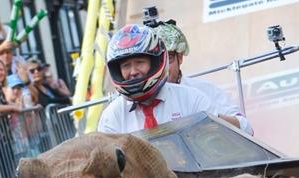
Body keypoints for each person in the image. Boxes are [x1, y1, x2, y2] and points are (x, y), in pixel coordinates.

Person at [97, 24, 254, 135]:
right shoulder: (112, 117)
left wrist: (213, 120)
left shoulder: (192, 98)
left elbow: (245, 131)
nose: (133, 72)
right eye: (126, 66)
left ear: (157, 62)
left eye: (139, 63)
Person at [154, 20, 251, 134]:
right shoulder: (137, 105)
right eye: (158, 61)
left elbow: (246, 127)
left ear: (180, 58)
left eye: (168, 59)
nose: (162, 68)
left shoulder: (204, 90)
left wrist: (210, 117)